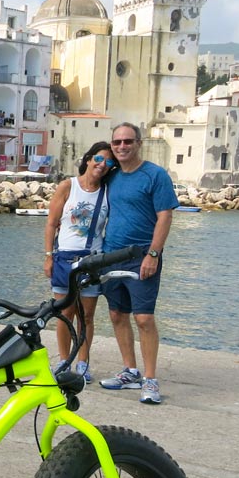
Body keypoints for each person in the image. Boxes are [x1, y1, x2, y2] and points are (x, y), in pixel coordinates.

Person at [99, 122, 180, 404]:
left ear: (139, 143)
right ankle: (130, 372)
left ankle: (150, 379)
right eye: (117, 142)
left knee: (144, 318)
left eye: (128, 141)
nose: (122, 146)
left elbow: (165, 216)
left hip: (142, 255)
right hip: (111, 254)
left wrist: (154, 254)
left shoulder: (155, 175)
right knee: (117, 315)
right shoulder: (111, 176)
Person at [44, 141, 115, 382]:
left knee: (87, 316)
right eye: (99, 158)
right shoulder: (68, 186)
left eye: (108, 161)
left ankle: (83, 363)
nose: (102, 164)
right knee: (65, 313)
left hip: (91, 260)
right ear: (88, 159)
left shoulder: (107, 192)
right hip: (63, 258)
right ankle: (65, 361)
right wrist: (47, 257)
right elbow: (52, 223)